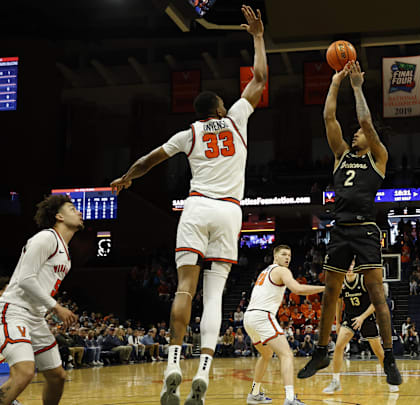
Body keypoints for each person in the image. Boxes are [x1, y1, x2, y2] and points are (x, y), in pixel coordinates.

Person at [109, 6, 267, 405]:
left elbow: (149, 160)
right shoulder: (235, 120)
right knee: (214, 297)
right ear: (218, 108)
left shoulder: (188, 134)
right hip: (230, 212)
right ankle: (204, 372)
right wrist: (258, 36)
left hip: (196, 208)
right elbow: (261, 79)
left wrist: (127, 177)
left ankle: (173, 364)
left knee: (185, 287)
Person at [298, 61, 401, 387]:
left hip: (366, 229)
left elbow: (366, 121)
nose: (354, 134)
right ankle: (320, 350)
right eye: (355, 133)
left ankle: (390, 357)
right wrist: (334, 82)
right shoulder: (341, 154)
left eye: (358, 133)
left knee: (376, 295)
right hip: (340, 228)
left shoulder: (378, 156)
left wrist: (356, 86)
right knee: (331, 293)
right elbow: (329, 117)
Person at [0, 195, 81, 404]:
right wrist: (56, 307)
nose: (79, 212)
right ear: (59, 216)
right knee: (24, 372)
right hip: (14, 310)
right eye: (72, 209)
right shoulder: (46, 238)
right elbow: (26, 280)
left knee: (57, 377)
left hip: (35, 317)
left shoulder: (66, 252)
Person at [244, 245, 325, 405]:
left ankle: (254, 393)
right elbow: (297, 289)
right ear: (276, 257)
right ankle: (289, 398)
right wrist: (326, 288)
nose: (287, 257)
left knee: (266, 355)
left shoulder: (265, 271)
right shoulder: (282, 271)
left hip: (249, 317)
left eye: (289, 255)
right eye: (283, 254)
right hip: (262, 315)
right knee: (286, 355)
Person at [323, 260, 399, 394]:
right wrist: (338, 322)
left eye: (352, 265)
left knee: (379, 352)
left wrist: (362, 318)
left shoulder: (364, 280)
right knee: (339, 346)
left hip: (366, 317)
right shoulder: (340, 282)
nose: (349, 268)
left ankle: (390, 379)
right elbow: (338, 302)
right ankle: (335, 381)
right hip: (350, 317)